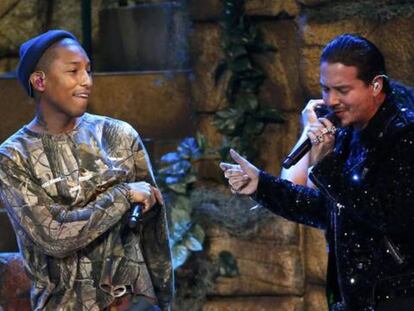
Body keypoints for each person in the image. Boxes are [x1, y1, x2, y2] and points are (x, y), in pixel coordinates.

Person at [220, 34, 414, 311]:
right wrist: (261, 185)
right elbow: (330, 209)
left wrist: (327, 165)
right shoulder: (348, 127)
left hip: (398, 297)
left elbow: (390, 214)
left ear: (375, 85)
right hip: (354, 298)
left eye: (342, 90)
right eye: (325, 89)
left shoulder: (405, 134)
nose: (331, 100)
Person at [0, 30, 173, 311]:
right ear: (40, 80)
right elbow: (54, 236)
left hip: (133, 302)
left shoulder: (119, 135)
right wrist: (124, 195)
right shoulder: (13, 157)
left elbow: (154, 231)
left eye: (88, 70)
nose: (86, 81)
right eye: (73, 71)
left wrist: (164, 301)